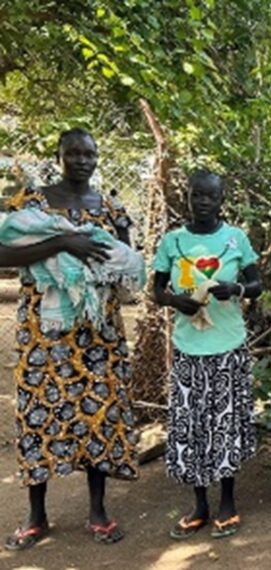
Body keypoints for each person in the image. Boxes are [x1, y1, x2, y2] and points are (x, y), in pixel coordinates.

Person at [0, 129, 140, 549]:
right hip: (45, 334)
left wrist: (106, 267)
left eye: (89, 153)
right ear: (59, 156)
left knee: (98, 415)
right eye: (73, 153)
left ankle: (98, 511)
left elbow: (125, 262)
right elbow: (3, 255)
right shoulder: (33, 205)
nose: (82, 160)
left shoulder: (111, 207)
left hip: (100, 333)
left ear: (97, 158)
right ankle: (36, 515)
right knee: (39, 414)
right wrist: (62, 242)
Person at [153, 170, 262, 540]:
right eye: (197, 195)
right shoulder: (173, 241)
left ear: (221, 200)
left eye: (210, 196)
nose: (203, 201)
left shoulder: (235, 239)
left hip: (228, 345)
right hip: (188, 347)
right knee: (192, 427)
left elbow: (257, 284)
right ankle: (199, 505)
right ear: (189, 197)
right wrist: (175, 301)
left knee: (226, 425)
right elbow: (156, 290)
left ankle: (228, 502)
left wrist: (237, 288)